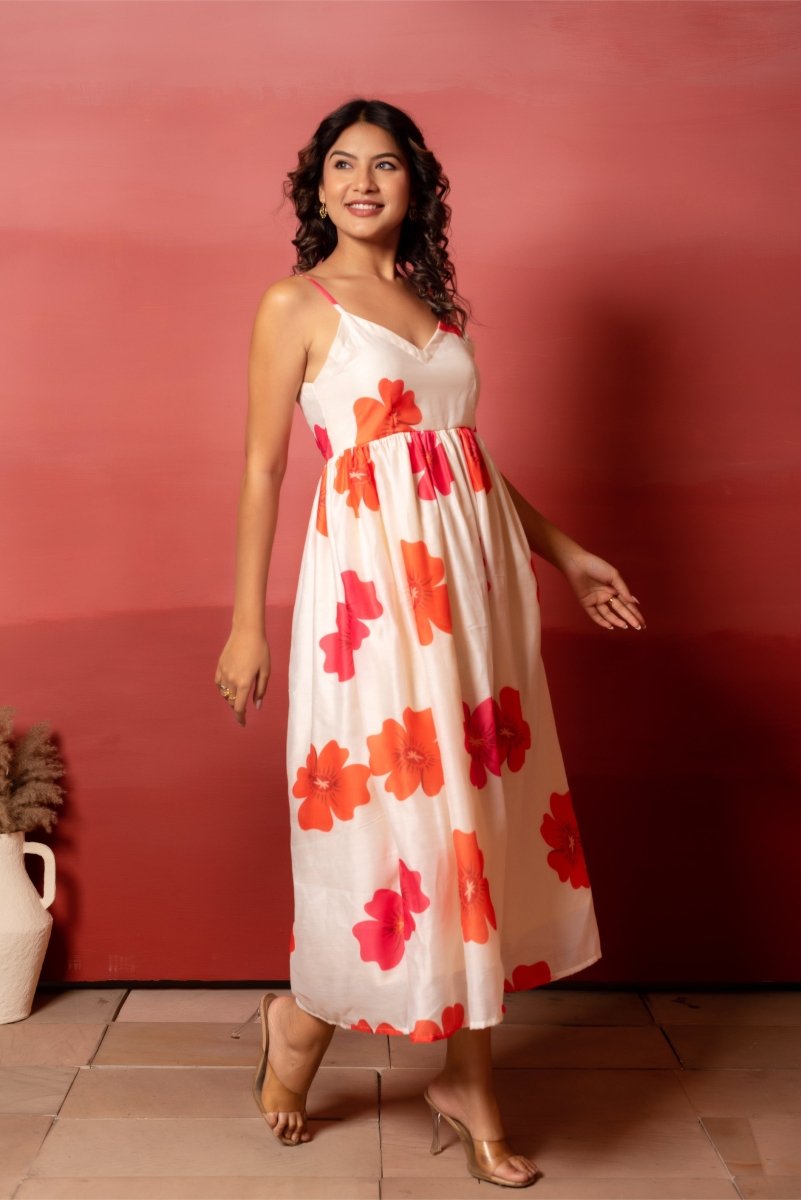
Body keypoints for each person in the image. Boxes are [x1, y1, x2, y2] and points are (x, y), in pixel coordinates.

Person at [214, 97, 646, 1189]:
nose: (363, 182)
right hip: (372, 607)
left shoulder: (431, 306)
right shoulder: (295, 303)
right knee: (393, 821)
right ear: (317, 189)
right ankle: (303, 1022)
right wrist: (245, 624)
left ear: (416, 186)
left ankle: (467, 1077)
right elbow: (264, 468)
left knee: (474, 826)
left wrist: (565, 552)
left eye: (385, 164)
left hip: (475, 598)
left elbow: (463, 457)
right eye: (342, 165)